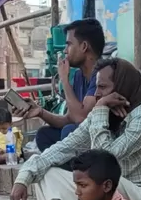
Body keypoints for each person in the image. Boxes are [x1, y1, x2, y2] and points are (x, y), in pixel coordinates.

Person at [10, 57, 141, 200]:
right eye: (96, 88)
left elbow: (105, 160)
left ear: (122, 87)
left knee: (98, 175)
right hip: (113, 194)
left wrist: (100, 110)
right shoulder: (101, 115)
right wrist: (23, 179)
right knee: (46, 175)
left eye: (103, 88)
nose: (97, 95)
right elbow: (62, 148)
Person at [30, 18, 103, 151]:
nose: (65, 51)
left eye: (68, 44)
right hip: (82, 137)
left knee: (69, 131)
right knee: (44, 135)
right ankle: (65, 167)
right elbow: (70, 118)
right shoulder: (78, 76)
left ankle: (76, 169)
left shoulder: (103, 74)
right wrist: (40, 112)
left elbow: (80, 118)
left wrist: (64, 79)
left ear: (84, 47)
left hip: (101, 140)